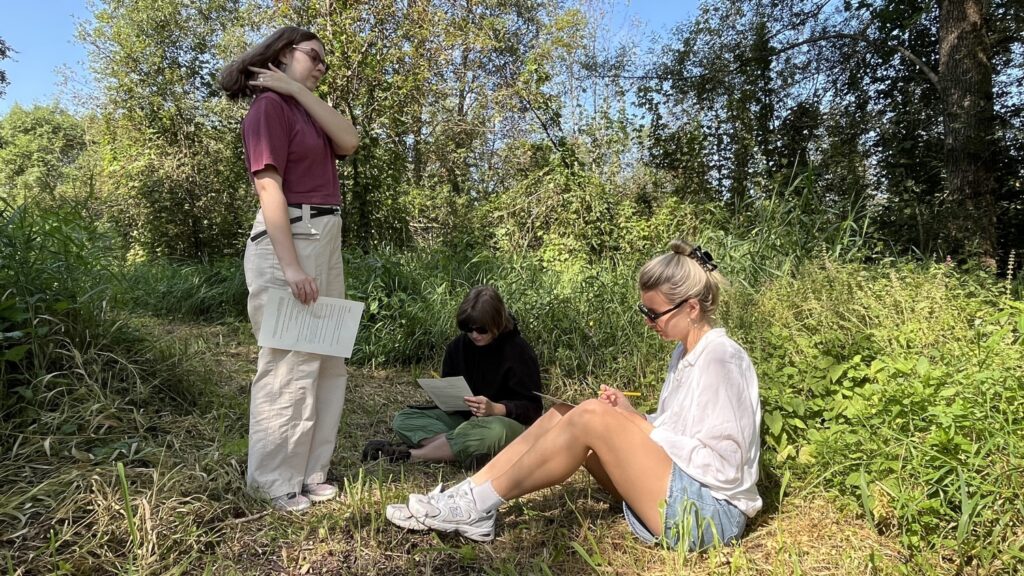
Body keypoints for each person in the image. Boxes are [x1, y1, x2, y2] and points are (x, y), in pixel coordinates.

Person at [385, 241, 761, 550]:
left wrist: (636, 426)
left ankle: (475, 507)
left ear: (691, 308)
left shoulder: (722, 359)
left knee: (591, 415)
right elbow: (679, 433)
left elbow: (725, 467)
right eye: (644, 311)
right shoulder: (684, 354)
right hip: (676, 494)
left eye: (654, 313)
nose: (648, 322)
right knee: (565, 413)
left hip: (707, 515)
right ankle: (466, 495)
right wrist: (635, 417)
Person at [219, 26, 359, 512]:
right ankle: (273, 480)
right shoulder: (268, 109)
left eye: (324, 61)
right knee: (288, 362)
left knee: (328, 359)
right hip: (292, 238)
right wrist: (293, 266)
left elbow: (350, 141)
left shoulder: (303, 108)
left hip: (325, 236)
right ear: (283, 53)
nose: (321, 66)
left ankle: (309, 472)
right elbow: (268, 188)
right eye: (313, 56)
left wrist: (299, 89)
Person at [363, 286, 543, 469]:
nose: (474, 335)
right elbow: (451, 388)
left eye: (482, 330)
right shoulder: (457, 347)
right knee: (405, 419)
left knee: (492, 431)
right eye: (467, 328)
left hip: (503, 423)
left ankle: (412, 455)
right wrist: (445, 400)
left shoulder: (518, 352)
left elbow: (534, 408)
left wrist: (496, 409)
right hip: (464, 420)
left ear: (497, 323)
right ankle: (464, 449)